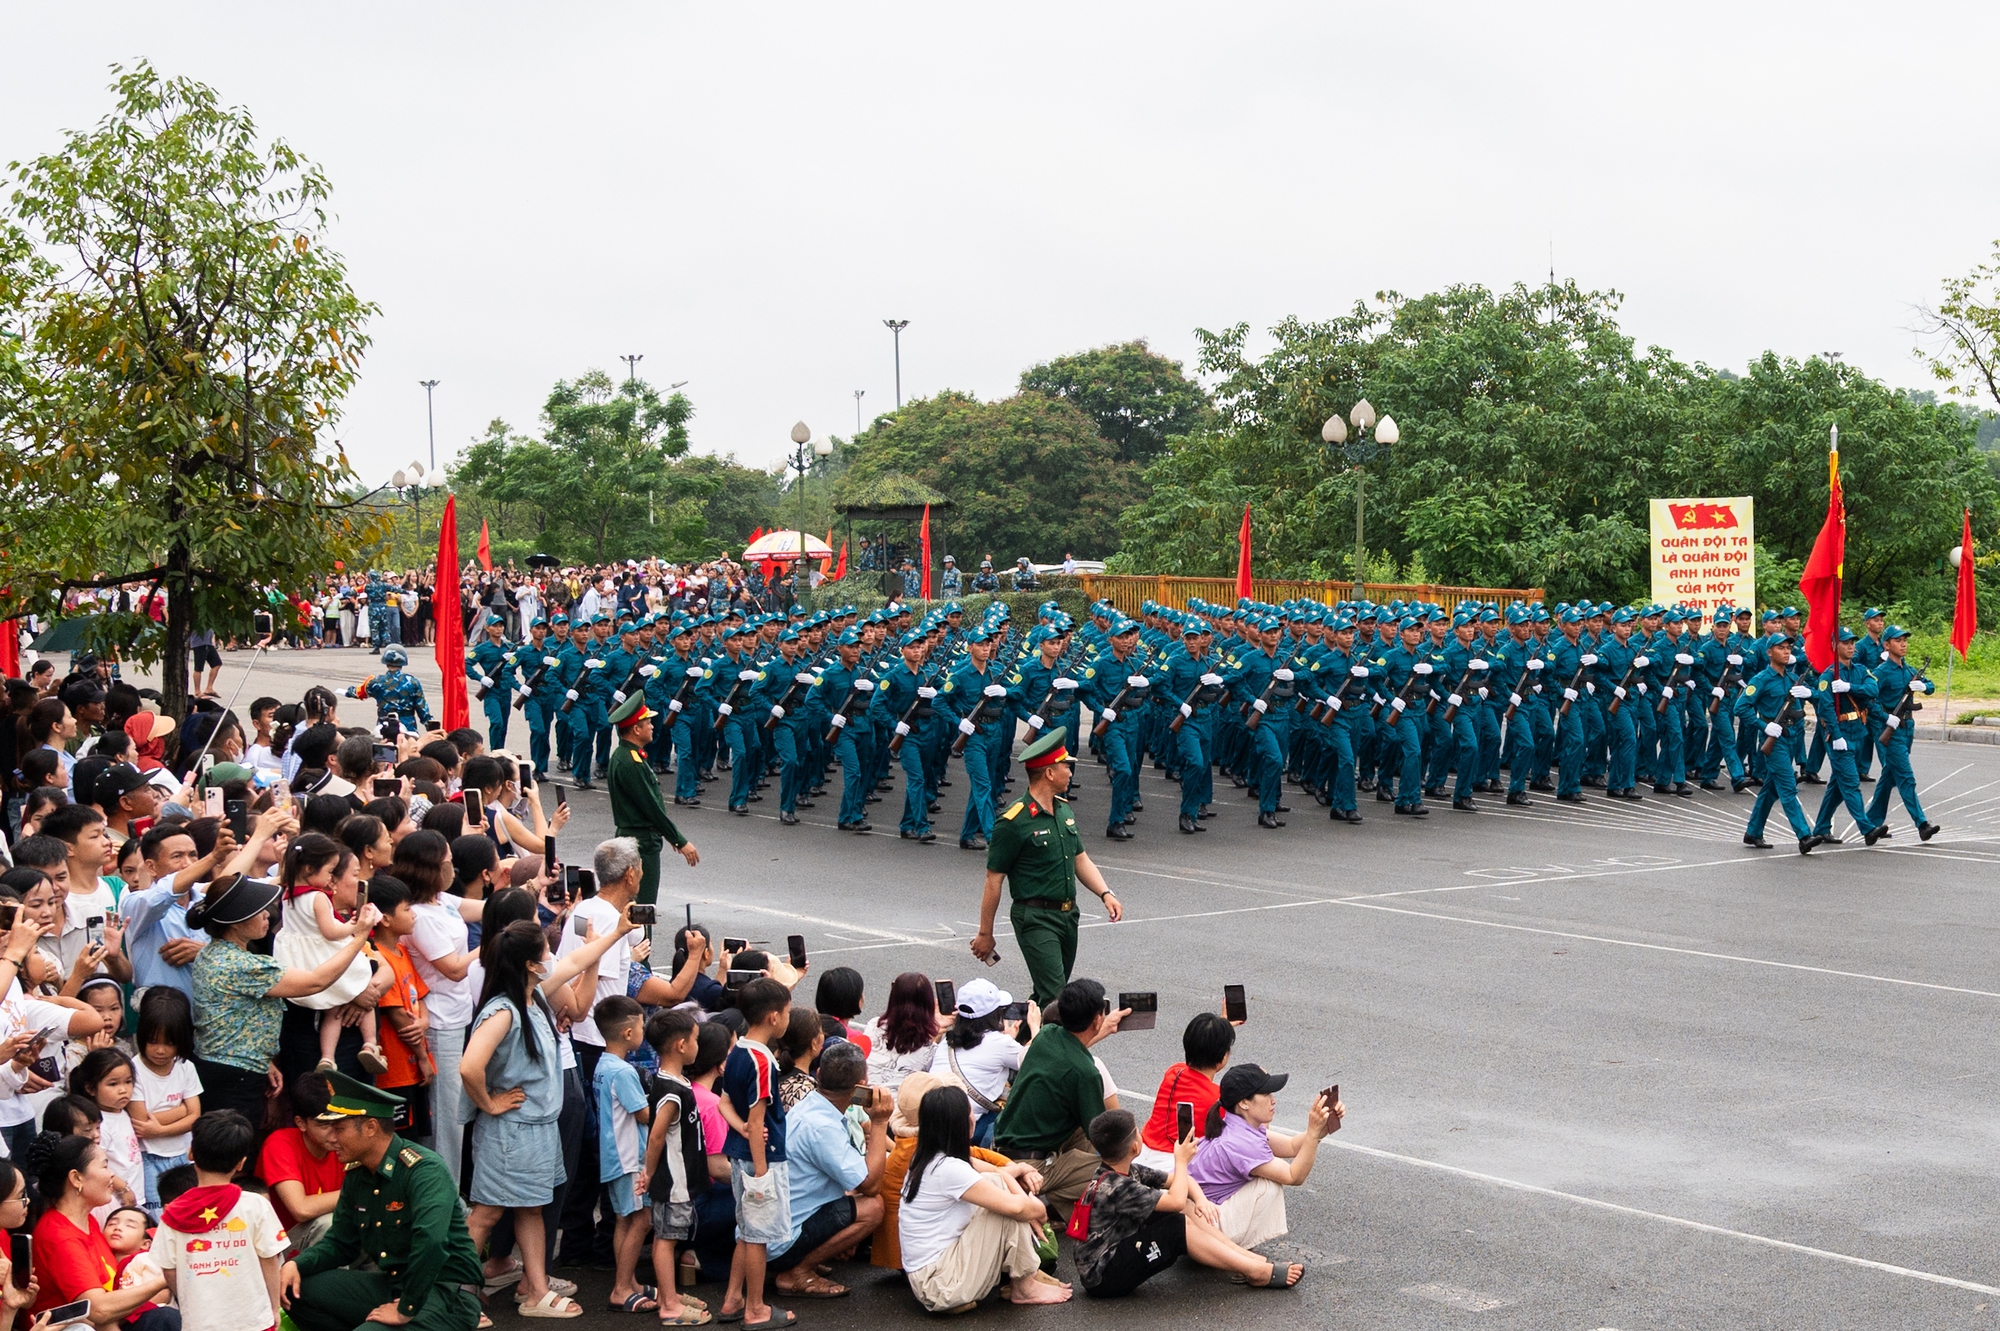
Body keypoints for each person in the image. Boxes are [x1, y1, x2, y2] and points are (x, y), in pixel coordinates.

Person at [279, 1072, 483, 1331]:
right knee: (297, 1289)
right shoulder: (358, 1172)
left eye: (339, 1128)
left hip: (446, 1294)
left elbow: (431, 1242)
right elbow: (341, 1243)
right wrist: (296, 1264)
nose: (332, 1138)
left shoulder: (424, 1170)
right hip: (394, 1285)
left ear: (371, 1127)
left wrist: (406, 1308)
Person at [187, 874, 374, 1141]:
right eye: (258, 911)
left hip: (226, 1068)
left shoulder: (212, 953)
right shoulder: (243, 965)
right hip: (235, 1078)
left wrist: (265, 1062)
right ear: (236, 922)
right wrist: (360, 936)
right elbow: (315, 982)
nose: (268, 915)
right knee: (231, 1153)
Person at [1073, 1108, 1302, 1296]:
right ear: (1135, 1146)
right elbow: (1174, 1199)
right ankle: (1256, 1272)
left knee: (1183, 1208)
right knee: (1176, 1225)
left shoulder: (1125, 1172)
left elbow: (1183, 1184)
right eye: (1137, 1132)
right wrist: (1180, 1161)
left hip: (1112, 1255)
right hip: (1103, 1275)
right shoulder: (1118, 1188)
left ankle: (1247, 1258)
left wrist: (1200, 1200)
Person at [971, 728, 1123, 1007]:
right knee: (1056, 998)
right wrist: (985, 933)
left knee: (1049, 995)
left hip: (1067, 917)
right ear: (1049, 773)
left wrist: (1105, 893)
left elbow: (1080, 858)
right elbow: (994, 879)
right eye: (1066, 766)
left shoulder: (1063, 809)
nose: (1070, 772)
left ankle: (1020, 1042)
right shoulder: (1014, 821)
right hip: (1036, 918)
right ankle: (1046, 1049)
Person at [898, 1084, 1069, 1312]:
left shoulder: (927, 1157)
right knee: (1009, 1210)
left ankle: (1026, 1275)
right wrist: (1038, 1211)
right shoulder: (948, 1169)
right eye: (970, 1113)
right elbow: (1017, 1208)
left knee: (996, 1186)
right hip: (940, 1285)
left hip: (931, 1276)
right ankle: (1024, 1285)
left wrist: (1018, 1177)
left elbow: (996, 1173)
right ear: (961, 1124)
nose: (974, 1117)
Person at [991, 978, 1129, 1217]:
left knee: (1078, 1132)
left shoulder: (1047, 1035)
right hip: (1030, 1167)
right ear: (1097, 1019)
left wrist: (1105, 1029)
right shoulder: (1085, 1074)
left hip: (1002, 1148)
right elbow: (1101, 1136)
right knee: (1116, 1170)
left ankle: (1062, 1196)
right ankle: (1059, 1203)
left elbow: (1073, 1050)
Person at [766, 1041, 889, 1299]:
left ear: (818, 1074)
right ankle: (797, 1271)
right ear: (860, 1087)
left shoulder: (811, 1106)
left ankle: (808, 1257)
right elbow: (870, 1185)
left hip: (774, 1226)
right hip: (783, 1240)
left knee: (853, 1200)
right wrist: (879, 1122)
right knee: (873, 1206)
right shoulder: (823, 1127)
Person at [151, 1111, 288, 1331]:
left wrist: (189, 1302)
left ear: (191, 1153)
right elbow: (270, 1260)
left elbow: (169, 1269)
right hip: (253, 1320)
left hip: (199, 1322)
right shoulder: (255, 1205)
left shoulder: (171, 1215)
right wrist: (273, 1308)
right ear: (241, 1163)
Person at [1186, 1064, 1339, 1251]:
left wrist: (1323, 1126)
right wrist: (1314, 1132)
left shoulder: (1239, 1124)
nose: (1273, 1100)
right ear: (1244, 1103)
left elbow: (1292, 1146)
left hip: (1196, 1214)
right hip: (1201, 1225)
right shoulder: (1241, 1143)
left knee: (1267, 1176)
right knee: (1268, 1186)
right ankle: (1234, 1251)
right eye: (1266, 1094)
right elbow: (1294, 1176)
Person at [32, 1134, 177, 1329]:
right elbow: (98, 1309)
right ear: (76, 1178)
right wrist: (165, 1278)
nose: (111, 1175)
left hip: (110, 1323)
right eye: (104, 1166)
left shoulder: (88, 1220)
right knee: (165, 1319)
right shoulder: (59, 1236)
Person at [716, 977, 792, 1330]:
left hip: (738, 1153)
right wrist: (762, 1174)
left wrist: (742, 1127)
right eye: (788, 1011)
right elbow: (759, 1115)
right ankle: (756, 1308)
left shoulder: (737, 1051)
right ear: (774, 1017)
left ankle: (734, 1298)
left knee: (746, 1231)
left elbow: (724, 1102)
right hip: (759, 1159)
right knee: (758, 1235)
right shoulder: (763, 1061)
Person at [637, 1008, 709, 1327]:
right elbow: (656, 1137)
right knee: (665, 1240)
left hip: (681, 1179)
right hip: (672, 1181)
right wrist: (649, 1173)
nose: (698, 1044)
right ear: (681, 1045)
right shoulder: (670, 1092)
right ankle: (668, 1304)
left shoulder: (675, 1081)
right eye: (695, 1039)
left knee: (671, 1237)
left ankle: (671, 1296)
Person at [592, 995, 658, 1315]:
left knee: (624, 1218)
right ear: (628, 1033)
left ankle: (627, 1281)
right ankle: (621, 1288)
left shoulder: (603, 1065)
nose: (644, 1030)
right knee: (641, 1219)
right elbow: (644, 1114)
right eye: (641, 1025)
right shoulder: (624, 1072)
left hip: (612, 1155)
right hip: (630, 1157)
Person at [603, 695, 699, 906]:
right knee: (643, 905)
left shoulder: (627, 756)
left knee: (635, 904)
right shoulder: (630, 763)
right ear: (636, 729)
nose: (652, 727)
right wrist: (679, 840)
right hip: (641, 843)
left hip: (637, 839)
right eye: (648, 723)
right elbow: (651, 808)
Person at [1865, 624, 1941, 840]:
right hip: (1891, 730)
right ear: (1887, 645)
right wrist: (1884, 717)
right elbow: (1869, 700)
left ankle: (1870, 824)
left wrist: (1925, 687)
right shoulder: (1880, 673)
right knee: (1906, 778)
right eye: (1898, 640)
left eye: (1905, 640)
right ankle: (1922, 824)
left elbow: (1931, 685)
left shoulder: (1909, 671)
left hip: (1907, 728)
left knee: (1889, 776)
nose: (1903, 643)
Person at [257, 1074, 346, 1255]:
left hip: (327, 1239)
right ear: (301, 1123)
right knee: (328, 1224)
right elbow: (301, 1208)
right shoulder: (280, 1144)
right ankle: (332, 1284)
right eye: (325, 1125)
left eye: (339, 1122)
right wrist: (359, 1192)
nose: (335, 1133)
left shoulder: (346, 1141)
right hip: (281, 1248)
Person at [1137, 1013, 1233, 1170]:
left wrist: (1218, 1029)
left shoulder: (1174, 1072)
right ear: (1223, 1057)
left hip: (1142, 1154)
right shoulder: (1219, 1099)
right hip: (1174, 1165)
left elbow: (1201, 1049)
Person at [938, 979, 1022, 1147]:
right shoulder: (1001, 1043)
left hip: (933, 1124)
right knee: (1011, 1109)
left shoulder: (945, 1041)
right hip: (966, 1130)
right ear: (995, 1013)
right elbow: (1036, 1060)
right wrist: (1034, 1029)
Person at [864, 973, 944, 1092]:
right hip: (900, 1106)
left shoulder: (874, 1026)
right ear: (929, 1005)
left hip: (864, 1098)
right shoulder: (933, 1050)